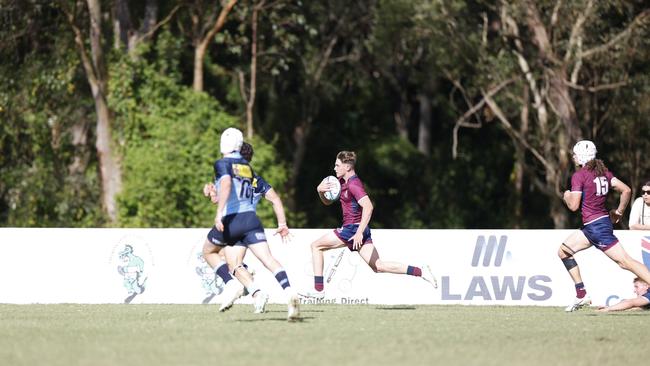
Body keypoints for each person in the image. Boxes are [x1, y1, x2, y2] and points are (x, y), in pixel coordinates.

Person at [303, 151, 438, 298]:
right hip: (358, 229)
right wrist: (320, 191)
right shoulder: (341, 183)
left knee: (315, 246)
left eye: (337, 165)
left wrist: (359, 232)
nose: (334, 168)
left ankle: (318, 290)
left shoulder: (354, 184)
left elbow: (368, 207)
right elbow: (328, 202)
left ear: (347, 166)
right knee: (378, 266)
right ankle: (421, 271)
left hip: (353, 229)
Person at [210, 128, 300, 321]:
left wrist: (212, 195)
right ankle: (285, 291)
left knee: (225, 260)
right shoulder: (253, 176)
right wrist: (282, 223)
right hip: (252, 222)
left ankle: (251, 289)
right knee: (267, 260)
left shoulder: (227, 169)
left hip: (234, 222)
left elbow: (220, 197)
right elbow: (276, 199)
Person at [558, 140, 650, 312]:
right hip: (594, 226)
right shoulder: (604, 173)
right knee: (563, 251)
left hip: (596, 228)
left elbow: (573, 206)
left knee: (625, 262)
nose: (573, 156)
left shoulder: (579, 175)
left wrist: (566, 195)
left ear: (582, 157)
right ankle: (581, 294)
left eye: (575, 154)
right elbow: (627, 190)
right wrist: (619, 212)